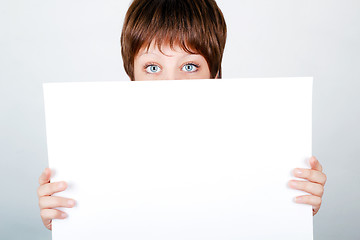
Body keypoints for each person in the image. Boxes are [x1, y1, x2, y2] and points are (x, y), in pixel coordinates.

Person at [37, 0, 327, 230]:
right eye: (153, 67)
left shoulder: (258, 146)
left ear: (214, 73)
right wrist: (65, 221)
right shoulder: (96, 153)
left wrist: (295, 208)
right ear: (132, 75)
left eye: (189, 66)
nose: (170, 84)